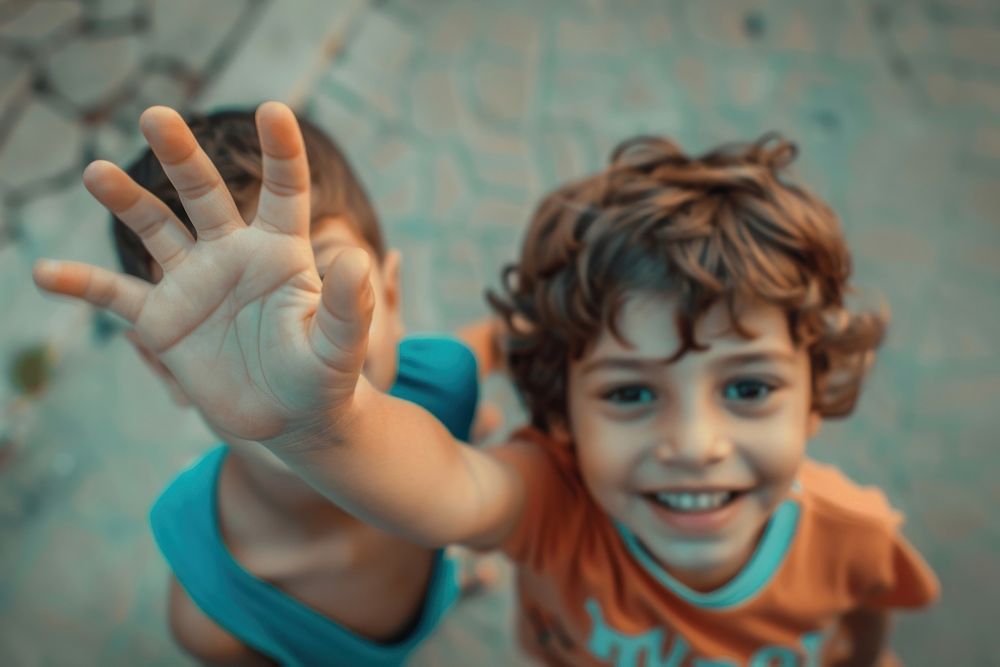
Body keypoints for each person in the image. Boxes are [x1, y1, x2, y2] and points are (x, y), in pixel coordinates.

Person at [34, 103, 939, 666]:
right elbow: (451, 486)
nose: (694, 440)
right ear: (561, 414)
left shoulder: (856, 535)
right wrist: (311, 423)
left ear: (818, 389)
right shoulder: (552, 496)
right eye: (629, 392)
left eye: (747, 389)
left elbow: (864, 639)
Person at [42, 106, 501, 666]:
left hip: (446, 555)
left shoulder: (442, 383)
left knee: (453, 560)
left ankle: (454, 583)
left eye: (325, 277)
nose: (288, 345)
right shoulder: (215, 617)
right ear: (165, 368)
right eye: (232, 323)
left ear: (394, 295)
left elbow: (497, 340)